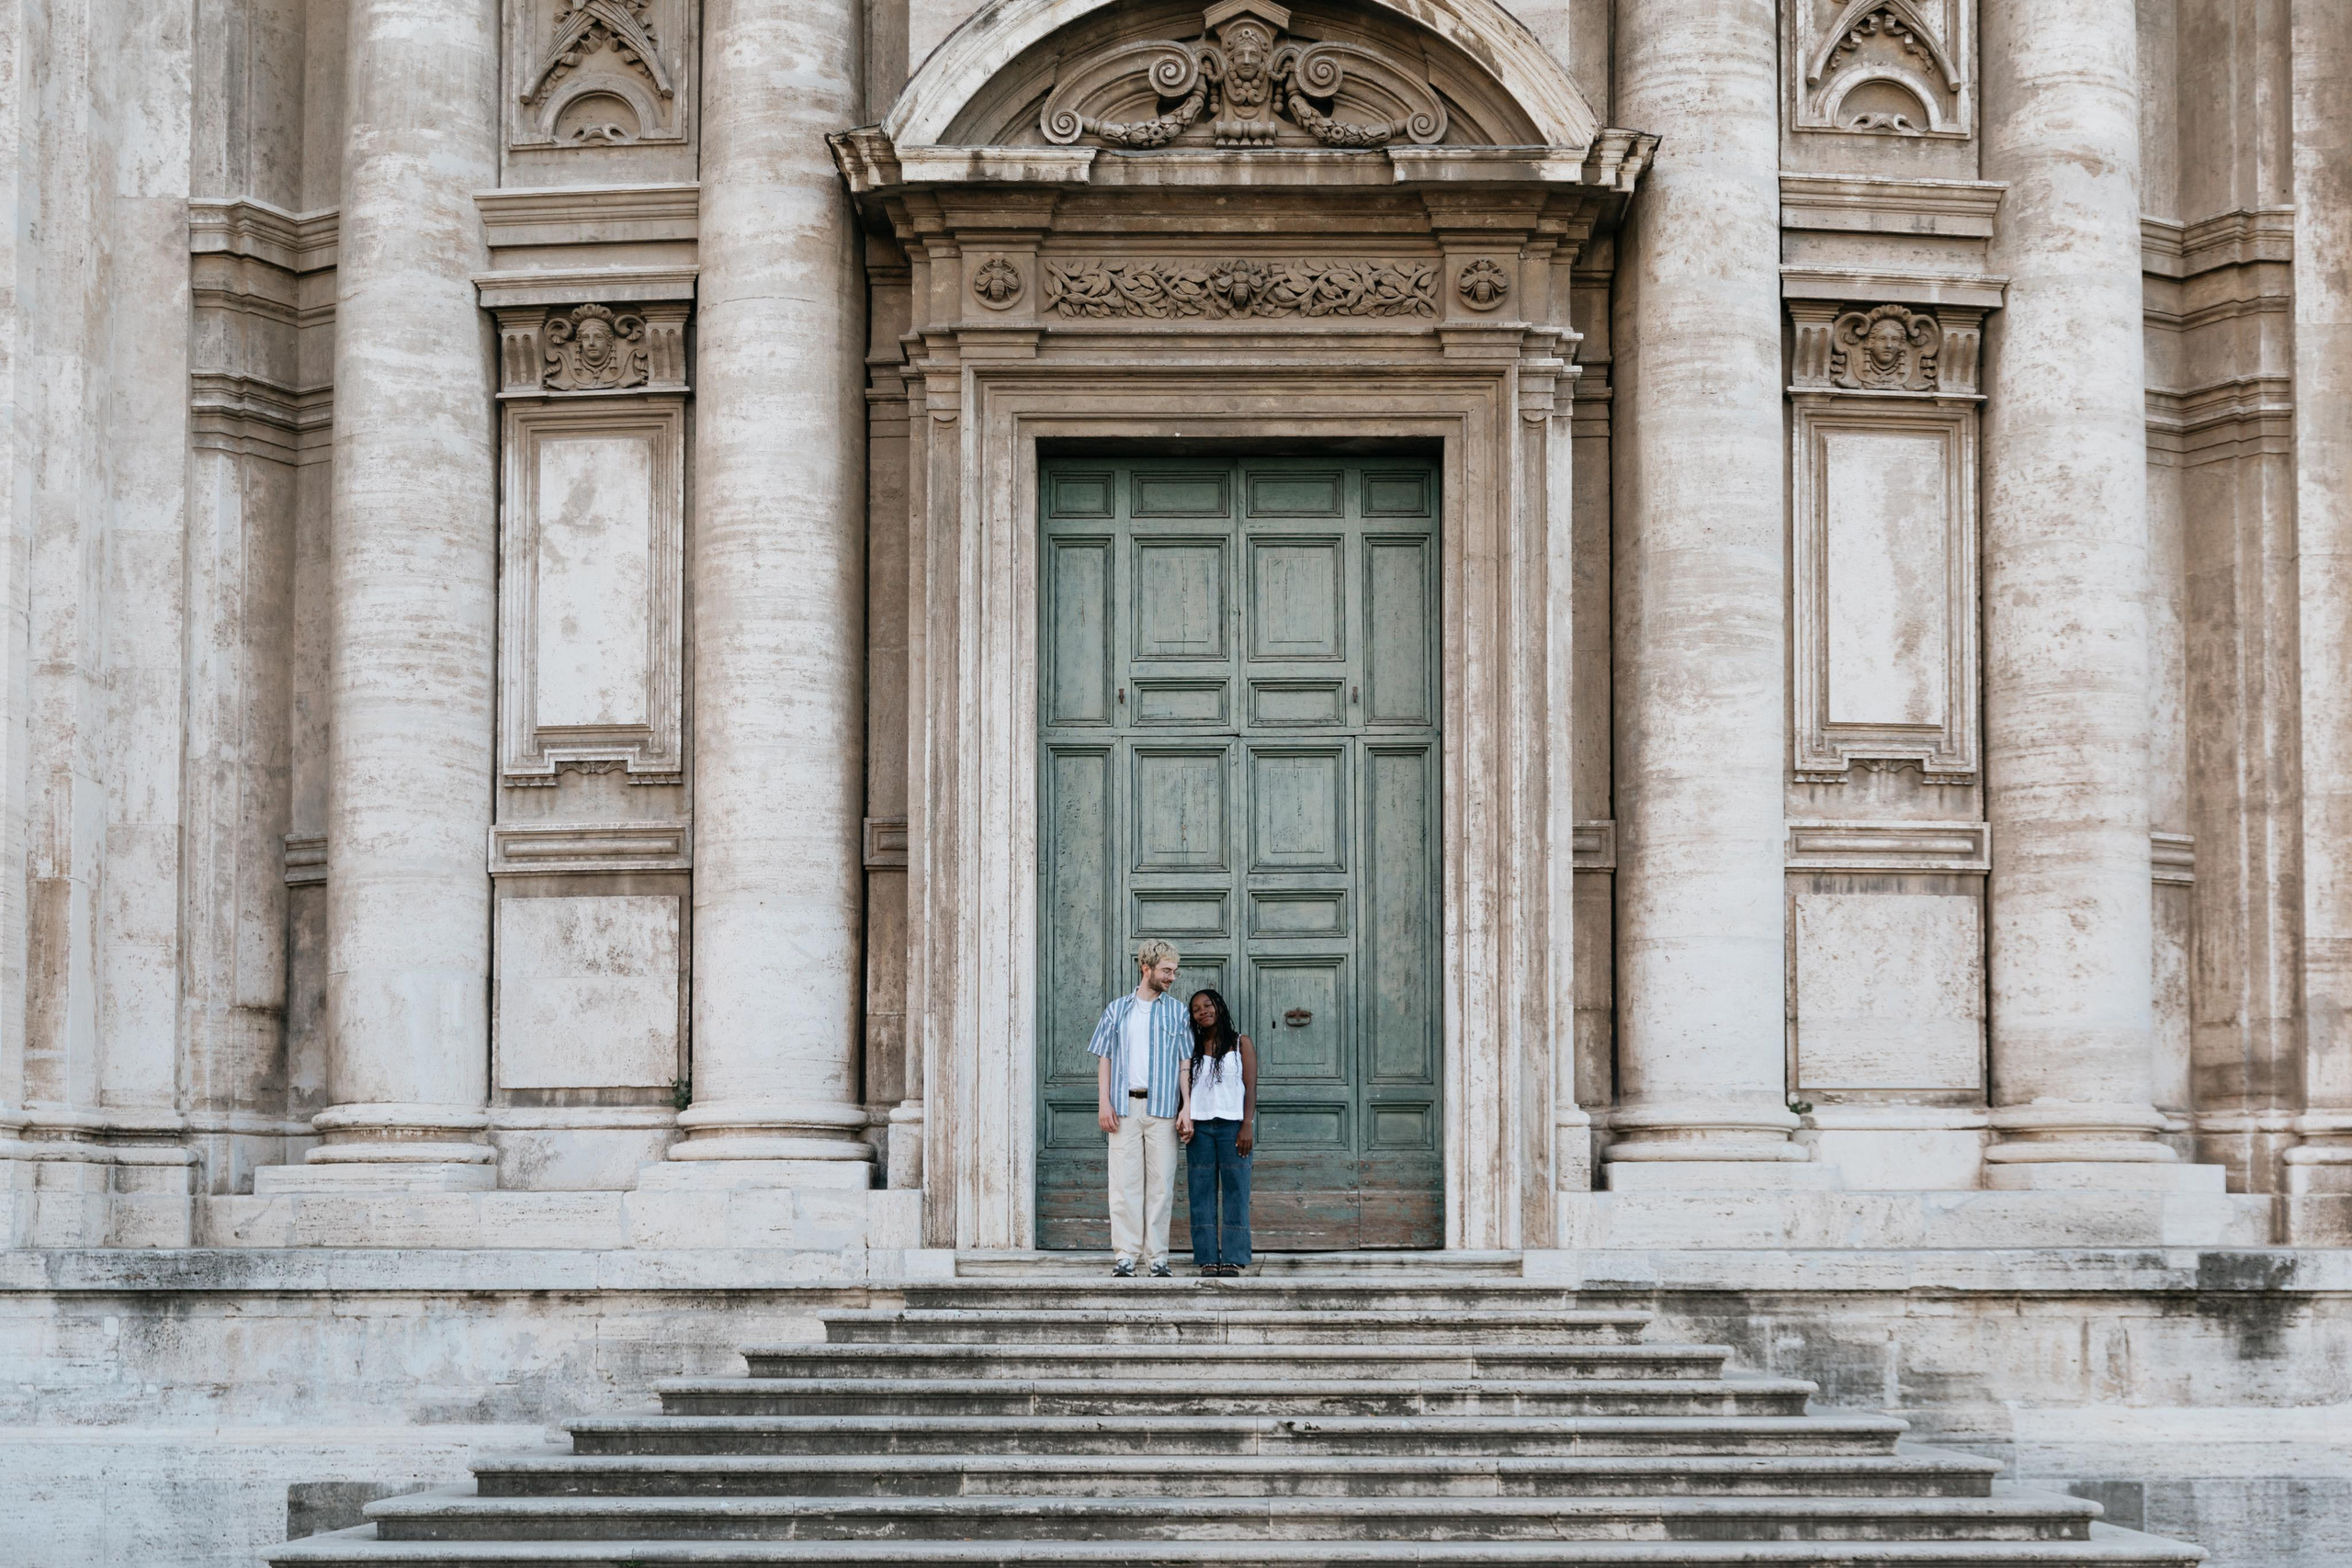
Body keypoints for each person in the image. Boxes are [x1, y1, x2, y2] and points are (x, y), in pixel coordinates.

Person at [1088, 939, 1192, 1277]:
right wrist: (1104, 1101)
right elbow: (1105, 1058)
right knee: (1123, 1185)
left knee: (1161, 1185)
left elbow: (1184, 1063)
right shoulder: (1117, 1010)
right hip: (1123, 1108)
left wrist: (1186, 1106)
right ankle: (1126, 1256)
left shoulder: (1177, 1012)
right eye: (1166, 970)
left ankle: (1157, 1257)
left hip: (1163, 1108)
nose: (1172, 977)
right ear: (1146, 969)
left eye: (1174, 971)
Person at [1179, 987, 1256, 1276]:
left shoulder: (1240, 1043)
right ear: (1193, 1017)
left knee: (1236, 1191)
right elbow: (1184, 1087)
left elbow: (1250, 1087)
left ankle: (1234, 1256)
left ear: (1219, 1007)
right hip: (1199, 1129)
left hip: (1233, 1127)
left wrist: (1246, 1124)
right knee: (1201, 1193)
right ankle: (1207, 1258)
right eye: (1197, 1009)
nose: (1203, 1011)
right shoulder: (1192, 1047)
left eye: (1208, 1005)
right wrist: (1183, 1119)